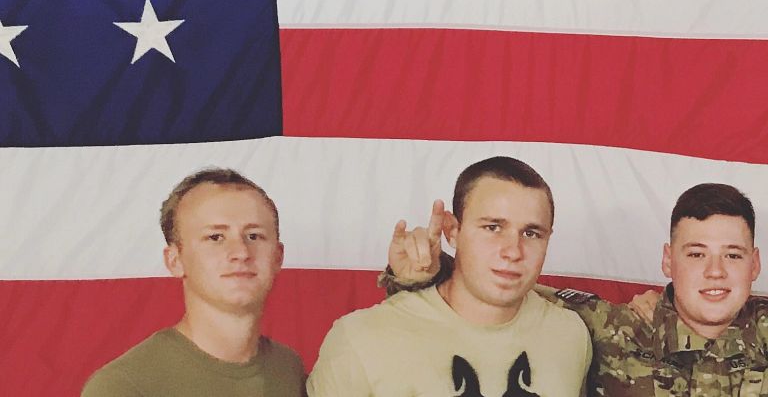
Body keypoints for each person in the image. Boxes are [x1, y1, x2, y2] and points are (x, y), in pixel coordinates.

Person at [387, 182, 768, 396]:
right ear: (668, 261)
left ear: (755, 265)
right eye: (697, 254)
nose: (715, 272)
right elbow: (498, 291)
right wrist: (425, 272)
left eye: (733, 256)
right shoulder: (610, 329)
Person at [307, 156, 592, 396]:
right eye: (493, 227)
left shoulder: (570, 335)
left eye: (531, 233)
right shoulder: (361, 339)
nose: (513, 251)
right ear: (453, 231)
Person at [81, 168, 305, 397]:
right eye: (216, 237)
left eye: (254, 236)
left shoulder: (289, 371)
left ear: (278, 256)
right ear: (175, 260)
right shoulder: (123, 387)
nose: (240, 252)